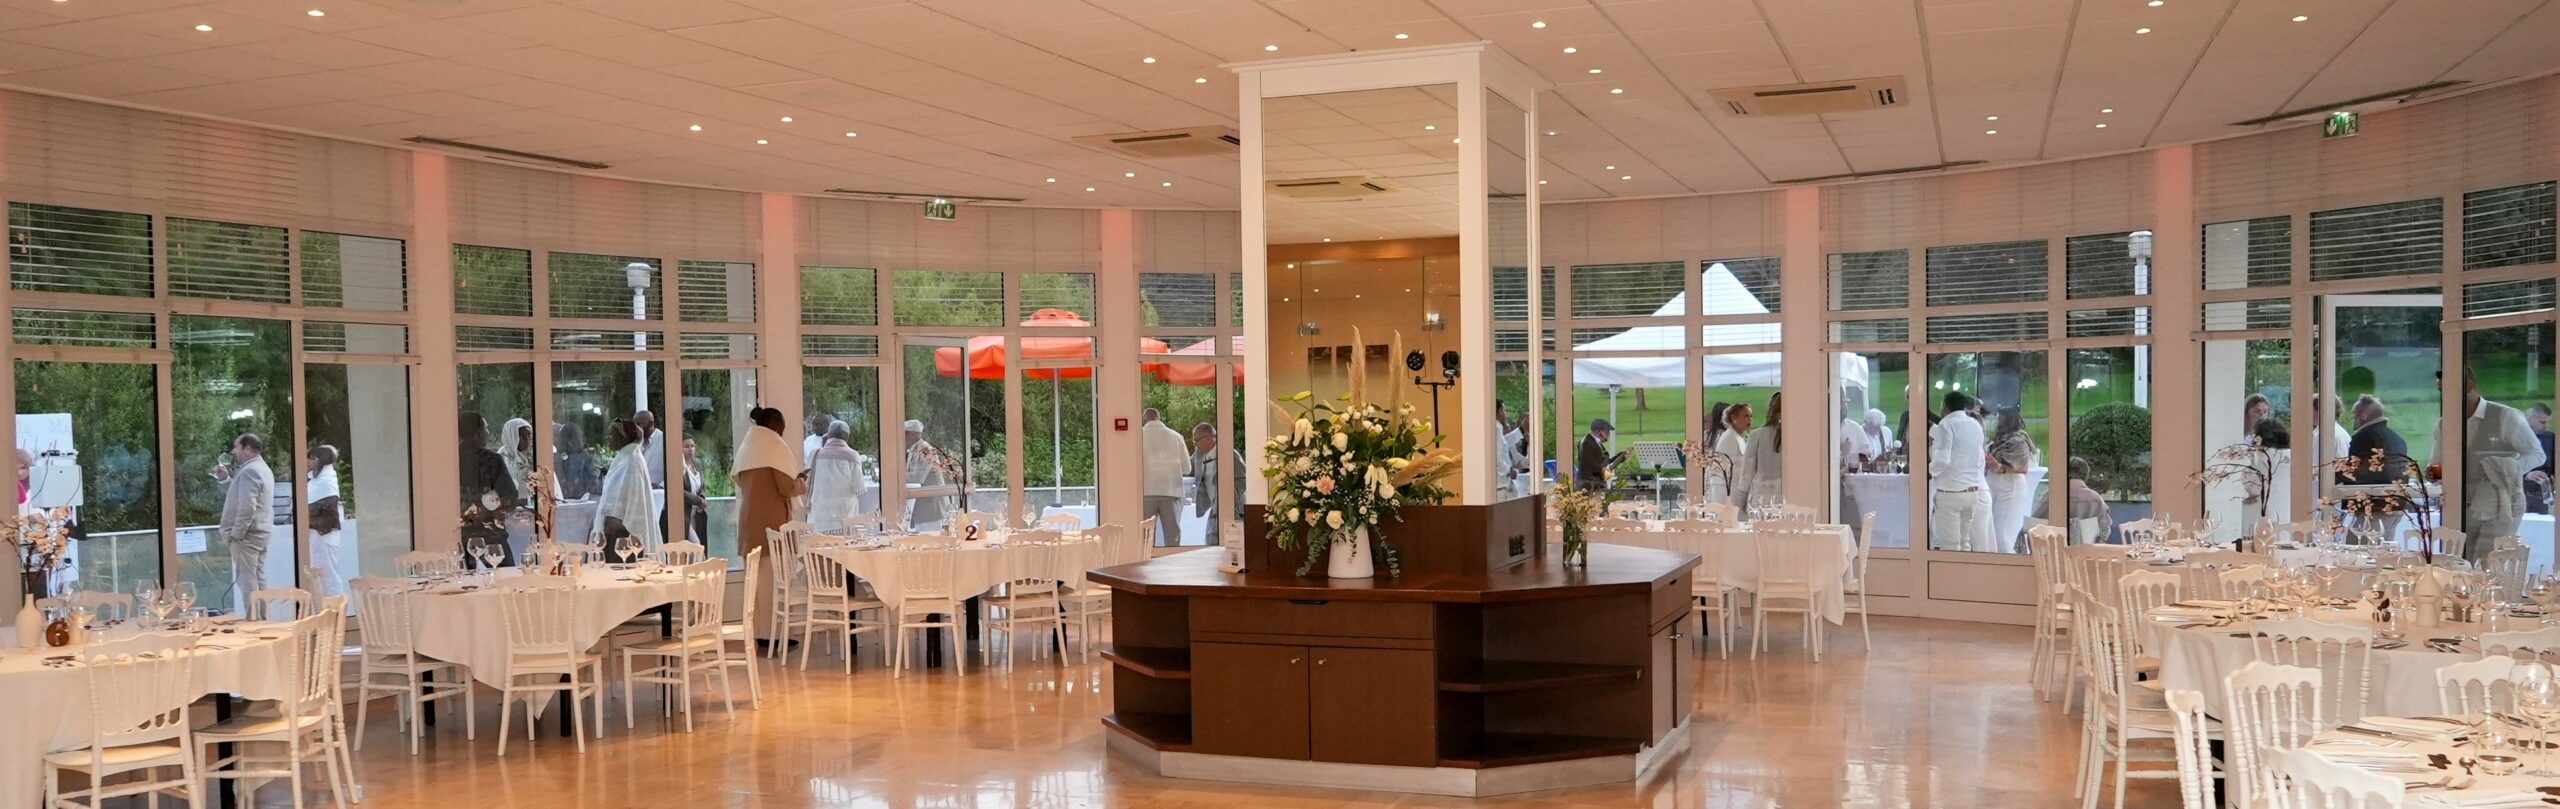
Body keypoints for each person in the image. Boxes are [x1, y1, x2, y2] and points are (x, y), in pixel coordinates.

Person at [2448, 368, 2546, 560]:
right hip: (2460, 507)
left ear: (2469, 386)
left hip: (2503, 505)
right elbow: (2438, 464)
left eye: (2450, 389)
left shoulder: (2506, 416)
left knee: (2488, 564)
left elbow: (2536, 454)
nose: (2445, 396)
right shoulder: (2446, 423)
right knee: (2460, 564)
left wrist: (2505, 470)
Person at [734, 406, 803, 643]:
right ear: (774, 425)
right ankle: (772, 635)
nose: (782, 432)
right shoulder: (773, 448)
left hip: (749, 521)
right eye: (782, 427)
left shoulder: (748, 446)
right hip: (771, 523)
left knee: (754, 582)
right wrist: (802, 482)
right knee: (772, 581)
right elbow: (786, 488)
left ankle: (757, 633)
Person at [1929, 391, 1994, 553]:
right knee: (1965, 542)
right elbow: (1979, 456)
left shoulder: (1946, 424)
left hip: (1951, 491)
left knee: (1950, 545)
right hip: (1973, 490)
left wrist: (1930, 470)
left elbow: (1942, 459)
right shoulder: (1975, 424)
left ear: (1945, 406)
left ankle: (1951, 570)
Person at [213, 433, 275, 602]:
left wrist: (236, 534)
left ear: (247, 448)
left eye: (236, 447)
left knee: (248, 582)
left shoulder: (250, 471)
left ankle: (254, 617)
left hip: (248, 536)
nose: (234, 451)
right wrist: (224, 479)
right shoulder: (262, 468)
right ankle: (262, 617)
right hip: (260, 532)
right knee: (258, 578)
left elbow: (247, 507)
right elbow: (239, 496)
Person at [460, 414, 520, 565]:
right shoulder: (491, 460)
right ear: (477, 433)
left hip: (459, 534)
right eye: (485, 428)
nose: (488, 433)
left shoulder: (450, 460)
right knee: (507, 577)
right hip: (490, 536)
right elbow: (509, 498)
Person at [596, 419, 658, 561]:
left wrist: (620, 521)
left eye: (611, 435)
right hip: (613, 527)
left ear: (623, 437)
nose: (608, 438)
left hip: (625, 531)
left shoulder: (633, 460)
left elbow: (635, 499)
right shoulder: (623, 457)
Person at [1985, 407, 2038, 553]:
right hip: (1996, 486)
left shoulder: (2018, 441)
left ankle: (2008, 560)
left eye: (1999, 418)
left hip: (2009, 488)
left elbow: (2023, 467)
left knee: (2003, 533)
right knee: (1993, 531)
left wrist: (1998, 467)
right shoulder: (1999, 440)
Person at [806, 421, 872, 534]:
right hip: (845, 516)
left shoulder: (815, 455)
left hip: (819, 517)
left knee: (820, 544)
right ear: (847, 437)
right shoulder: (852, 456)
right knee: (844, 544)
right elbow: (858, 487)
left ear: (829, 435)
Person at [1140, 408, 1191, 546]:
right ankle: (1172, 558)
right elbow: (1187, 468)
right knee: (1172, 536)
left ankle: (1146, 558)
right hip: (1171, 491)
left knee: (1146, 537)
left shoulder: (1138, 436)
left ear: (1144, 419)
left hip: (1145, 492)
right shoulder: (1176, 436)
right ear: (1159, 417)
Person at [2337, 394, 2408, 485]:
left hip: (2367, 492)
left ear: (2363, 416)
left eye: (2354, 414)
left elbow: (2355, 472)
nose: (2352, 417)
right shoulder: (2399, 440)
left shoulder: (2363, 437)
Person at [305, 444, 345, 597]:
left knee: (329, 574)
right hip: (318, 534)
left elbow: (327, 510)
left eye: (312, 458)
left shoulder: (327, 481)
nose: (308, 461)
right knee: (320, 575)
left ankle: (336, 607)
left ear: (320, 460)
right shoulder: (316, 480)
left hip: (325, 534)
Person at [2243, 418, 2293, 538]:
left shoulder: (2257, 457)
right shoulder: (2291, 456)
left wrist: (2245, 496)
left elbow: (2248, 485)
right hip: (2287, 509)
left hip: (2258, 511)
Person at [1735, 393, 1784, 510]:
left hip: (1761, 497)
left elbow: (1747, 472)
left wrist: (1741, 500)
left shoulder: (1757, 435)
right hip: (1786, 497)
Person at [903, 420, 950, 532]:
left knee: (932, 540)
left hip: (931, 508)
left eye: (904, 434)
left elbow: (917, 478)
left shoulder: (926, 450)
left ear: (912, 434)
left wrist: (894, 476)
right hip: (921, 508)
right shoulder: (913, 450)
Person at [1191, 422, 1242, 524]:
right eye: (1194, 441)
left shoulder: (1229, 454)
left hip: (1231, 508)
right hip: (1212, 509)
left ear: (1208, 438)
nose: (1195, 444)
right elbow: (1188, 469)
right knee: (1212, 533)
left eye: (1197, 440)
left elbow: (1242, 481)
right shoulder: (1198, 455)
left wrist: (1230, 500)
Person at [2064, 457, 2114, 544]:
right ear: (2086, 475)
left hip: (2052, 551)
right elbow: (2105, 534)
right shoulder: (2096, 499)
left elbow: (2038, 527)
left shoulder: (2048, 497)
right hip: (2087, 551)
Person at [1710, 404, 1752, 505]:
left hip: (1736, 491)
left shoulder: (1737, 437)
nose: (1750, 420)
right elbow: (1725, 468)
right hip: (1727, 494)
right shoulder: (1729, 438)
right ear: (1734, 418)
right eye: (1746, 416)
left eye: (1751, 416)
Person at [1576, 419, 1627, 491]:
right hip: (1588, 484)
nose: (1608, 435)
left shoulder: (1596, 442)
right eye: (1606, 432)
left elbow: (1605, 463)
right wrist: (1602, 470)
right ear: (1598, 431)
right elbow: (1587, 463)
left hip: (1595, 483)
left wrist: (1621, 457)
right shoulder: (1586, 442)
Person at [554, 422, 600, 501]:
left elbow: (592, 482)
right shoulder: (586, 457)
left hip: (571, 499)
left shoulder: (586, 457)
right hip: (580, 500)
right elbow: (593, 483)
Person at [679, 435, 708, 543]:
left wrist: (702, 498)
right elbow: (678, 490)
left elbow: (702, 486)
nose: (690, 449)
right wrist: (697, 500)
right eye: (687, 446)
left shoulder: (697, 463)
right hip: (684, 513)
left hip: (697, 513)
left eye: (692, 446)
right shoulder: (679, 466)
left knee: (700, 544)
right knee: (696, 544)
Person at [2529, 403, 2556, 515]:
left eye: (2548, 422)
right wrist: (2527, 475)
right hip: (2520, 489)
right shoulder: (2515, 437)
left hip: (2543, 490)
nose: (2546, 426)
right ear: (2530, 419)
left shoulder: (2551, 438)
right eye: (2542, 422)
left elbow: (2554, 464)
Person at [498, 417, 534, 495]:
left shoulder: (520, 456)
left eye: (529, 435)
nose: (527, 439)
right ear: (511, 436)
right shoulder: (502, 459)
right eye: (522, 436)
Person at [634, 409, 666, 489]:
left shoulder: (664, 440)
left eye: (639, 424)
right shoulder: (636, 443)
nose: (636, 428)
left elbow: (675, 468)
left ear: (651, 423)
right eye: (634, 425)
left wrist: (661, 486)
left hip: (660, 493)